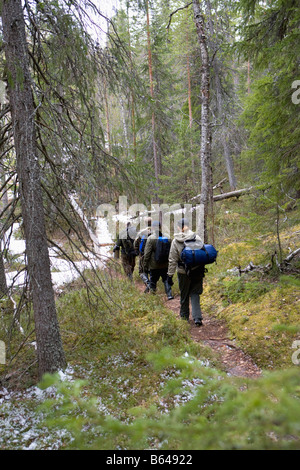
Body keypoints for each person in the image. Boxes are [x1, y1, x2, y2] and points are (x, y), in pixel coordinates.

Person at [167, 218, 205, 326]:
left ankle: (184, 318)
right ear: (188, 225)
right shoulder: (196, 237)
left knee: (184, 295)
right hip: (197, 270)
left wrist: (170, 275)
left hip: (183, 272)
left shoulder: (176, 241)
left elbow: (172, 259)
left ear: (179, 227)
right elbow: (202, 253)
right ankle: (197, 318)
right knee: (195, 293)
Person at [143, 220, 174, 300]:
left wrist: (145, 265)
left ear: (152, 227)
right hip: (165, 264)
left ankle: (153, 297)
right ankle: (169, 294)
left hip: (154, 265)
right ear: (160, 227)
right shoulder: (167, 237)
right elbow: (171, 251)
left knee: (153, 280)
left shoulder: (150, 238)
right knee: (166, 279)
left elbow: (147, 254)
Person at [134, 217, 152, 292]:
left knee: (142, 272)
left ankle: (148, 284)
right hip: (153, 255)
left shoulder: (141, 233)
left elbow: (135, 244)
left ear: (144, 223)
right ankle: (152, 284)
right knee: (152, 270)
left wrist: (138, 253)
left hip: (143, 255)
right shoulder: (156, 231)